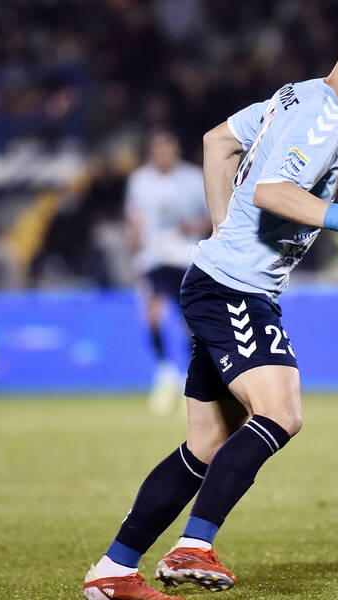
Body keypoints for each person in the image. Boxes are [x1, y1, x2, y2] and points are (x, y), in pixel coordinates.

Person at [83, 7, 338, 599]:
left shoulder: (295, 96)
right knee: (282, 411)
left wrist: (221, 231)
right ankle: (194, 545)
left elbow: (217, 143)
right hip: (234, 290)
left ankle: (113, 570)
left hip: (218, 279)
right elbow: (271, 191)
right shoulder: (322, 117)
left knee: (206, 445)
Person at [125, 131, 209, 415]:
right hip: (153, 259)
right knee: (152, 313)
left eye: (167, 150)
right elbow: (135, 218)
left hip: (184, 258)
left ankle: (191, 380)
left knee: (188, 321)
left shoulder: (193, 179)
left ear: (175, 151)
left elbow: (211, 216)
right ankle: (164, 372)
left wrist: (194, 226)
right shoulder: (140, 181)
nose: (163, 155)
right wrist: (134, 245)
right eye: (158, 151)